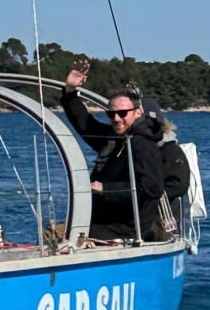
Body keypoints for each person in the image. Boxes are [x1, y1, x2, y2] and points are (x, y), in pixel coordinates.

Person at [61, 59, 165, 241]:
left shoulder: (143, 144)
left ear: (137, 113)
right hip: (106, 222)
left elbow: (151, 188)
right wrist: (70, 92)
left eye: (123, 113)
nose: (116, 119)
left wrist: (104, 188)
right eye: (111, 114)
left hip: (129, 229)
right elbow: (86, 126)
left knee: (57, 234)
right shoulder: (115, 139)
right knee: (57, 232)